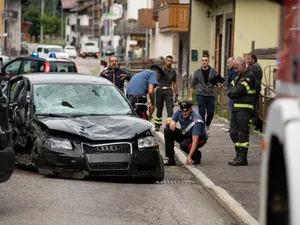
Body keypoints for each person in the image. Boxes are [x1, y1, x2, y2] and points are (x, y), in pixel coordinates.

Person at [227, 57, 257, 166]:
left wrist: (234, 92)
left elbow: (240, 90)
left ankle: (242, 158)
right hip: (236, 109)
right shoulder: (238, 76)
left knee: (242, 133)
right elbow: (230, 89)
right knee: (233, 132)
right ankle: (238, 154)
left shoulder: (250, 77)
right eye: (234, 68)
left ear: (243, 65)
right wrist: (233, 92)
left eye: (237, 67)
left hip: (245, 109)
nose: (235, 70)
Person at [164, 100, 207, 166]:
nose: (184, 113)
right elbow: (169, 121)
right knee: (167, 130)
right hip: (187, 134)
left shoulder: (196, 120)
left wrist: (189, 156)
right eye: (182, 111)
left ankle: (196, 155)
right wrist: (171, 122)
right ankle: (171, 159)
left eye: (186, 111)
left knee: (184, 145)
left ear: (190, 109)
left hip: (199, 138)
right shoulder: (179, 112)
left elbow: (195, 140)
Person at [189, 55, 223, 135]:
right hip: (200, 94)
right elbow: (193, 84)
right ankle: (203, 127)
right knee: (202, 112)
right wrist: (190, 96)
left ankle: (207, 125)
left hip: (210, 95)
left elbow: (220, 83)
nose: (204, 62)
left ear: (208, 61)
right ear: (201, 62)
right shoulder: (197, 72)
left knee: (211, 113)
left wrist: (218, 84)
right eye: (203, 60)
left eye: (206, 60)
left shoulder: (213, 71)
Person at [154, 55, 178, 131]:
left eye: (171, 61)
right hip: (159, 90)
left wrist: (176, 93)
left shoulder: (173, 72)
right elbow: (155, 80)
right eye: (168, 60)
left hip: (168, 91)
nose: (169, 62)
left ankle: (169, 125)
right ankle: (157, 125)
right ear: (165, 60)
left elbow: (174, 83)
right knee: (159, 108)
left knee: (170, 109)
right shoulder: (160, 70)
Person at [224, 57, 238, 132]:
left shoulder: (233, 71)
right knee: (231, 110)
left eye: (229, 62)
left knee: (232, 111)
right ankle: (232, 127)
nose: (227, 64)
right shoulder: (231, 71)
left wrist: (230, 91)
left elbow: (233, 82)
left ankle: (232, 128)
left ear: (233, 63)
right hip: (231, 93)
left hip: (232, 94)